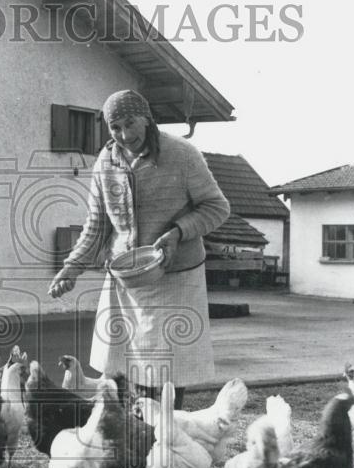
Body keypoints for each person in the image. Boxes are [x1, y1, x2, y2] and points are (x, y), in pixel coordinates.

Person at [48, 89, 230, 409]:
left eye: (130, 123)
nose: (124, 134)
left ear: (147, 119)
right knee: (119, 366)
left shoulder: (182, 155)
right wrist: (70, 268)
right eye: (115, 127)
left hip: (175, 276)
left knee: (164, 369)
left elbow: (216, 208)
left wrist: (178, 232)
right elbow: (97, 225)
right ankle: (126, 430)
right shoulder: (106, 162)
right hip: (126, 278)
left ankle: (163, 430)